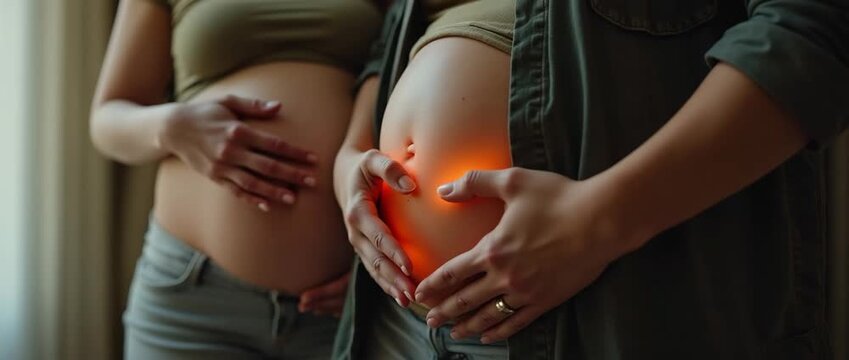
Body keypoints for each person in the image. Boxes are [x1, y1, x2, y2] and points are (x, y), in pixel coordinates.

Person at [335, 0, 849, 358]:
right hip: (396, 328)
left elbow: (814, 27)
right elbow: (389, 44)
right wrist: (349, 158)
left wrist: (595, 224)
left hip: (611, 314)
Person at [89, 0, 382, 358]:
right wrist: (170, 126)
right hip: (193, 305)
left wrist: (376, 267)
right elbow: (107, 119)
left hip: (346, 308)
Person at [332, 0, 515, 358]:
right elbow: (385, 54)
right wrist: (347, 168)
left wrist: (592, 220)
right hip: (396, 319)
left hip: (532, 318)